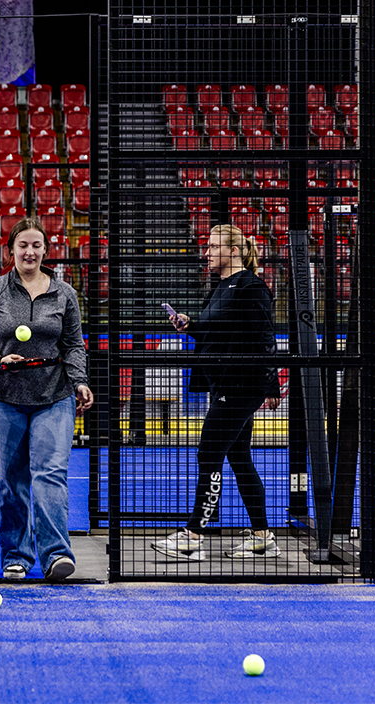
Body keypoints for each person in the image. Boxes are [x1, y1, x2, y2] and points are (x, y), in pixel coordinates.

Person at [0, 217, 94, 581]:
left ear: (45, 250)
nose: (30, 251)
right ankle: (16, 556)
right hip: (4, 397)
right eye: (23, 245)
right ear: (11, 250)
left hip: (54, 395)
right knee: (12, 481)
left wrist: (80, 382)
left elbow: (74, 345)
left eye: (36, 245)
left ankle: (56, 555)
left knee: (50, 475)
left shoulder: (64, 293)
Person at [154, 224, 282, 561]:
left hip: (240, 387)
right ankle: (262, 536)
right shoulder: (221, 287)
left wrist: (272, 386)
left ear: (234, 251)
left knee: (208, 455)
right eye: (208, 247)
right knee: (239, 459)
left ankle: (193, 536)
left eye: (213, 247)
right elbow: (216, 333)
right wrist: (189, 324)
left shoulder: (252, 287)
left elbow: (265, 339)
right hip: (223, 384)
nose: (207, 253)